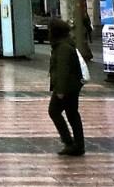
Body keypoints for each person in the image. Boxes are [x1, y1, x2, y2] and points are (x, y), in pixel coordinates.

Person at [47, 19, 84, 156]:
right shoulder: (64, 45)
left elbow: (63, 70)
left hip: (66, 87)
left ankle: (70, 142)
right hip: (72, 86)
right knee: (72, 114)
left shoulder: (63, 48)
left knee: (54, 111)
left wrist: (60, 90)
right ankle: (78, 145)